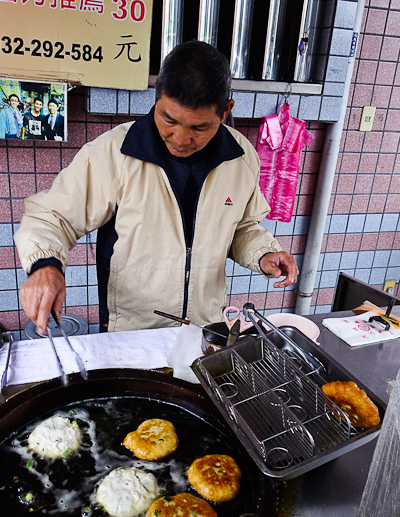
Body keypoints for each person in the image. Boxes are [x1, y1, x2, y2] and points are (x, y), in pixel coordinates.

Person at [15, 41, 299, 335]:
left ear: (225, 111)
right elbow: (52, 216)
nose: (180, 137)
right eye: (169, 119)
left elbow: (241, 226)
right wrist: (45, 266)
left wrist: (263, 253)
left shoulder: (240, 157)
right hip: (131, 332)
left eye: (199, 127)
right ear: (157, 96)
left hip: (204, 328)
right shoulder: (115, 153)